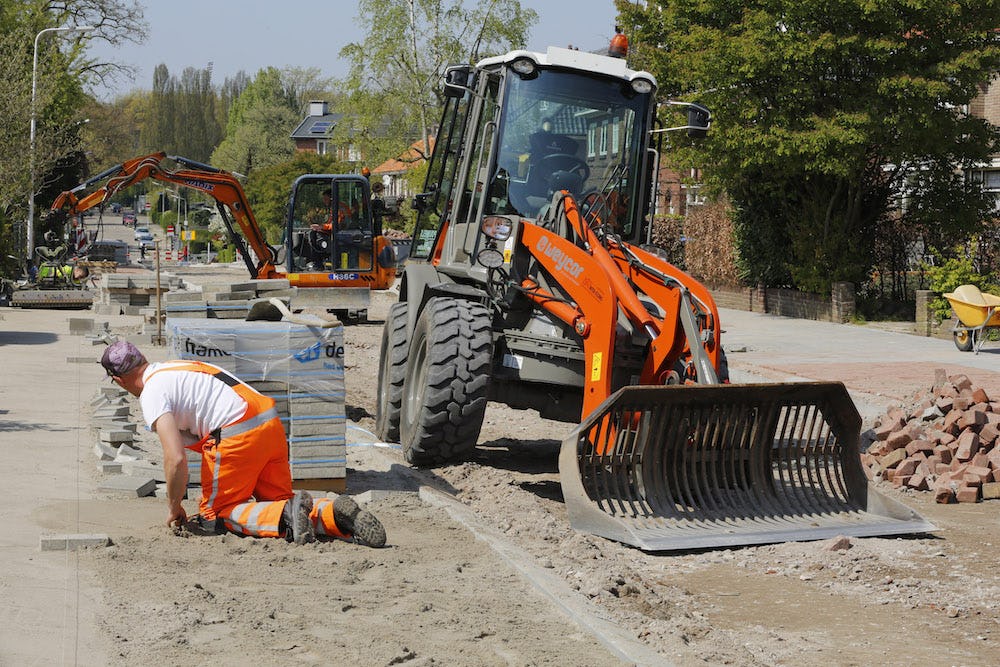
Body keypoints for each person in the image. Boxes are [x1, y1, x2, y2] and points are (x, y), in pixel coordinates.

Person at [100, 340, 386, 547]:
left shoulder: (152, 392)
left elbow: (175, 458)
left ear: (118, 379)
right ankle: (333, 513)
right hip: (269, 424)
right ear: (143, 358)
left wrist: (174, 506)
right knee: (275, 504)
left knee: (217, 515)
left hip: (237, 434)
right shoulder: (175, 367)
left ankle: (285, 515)